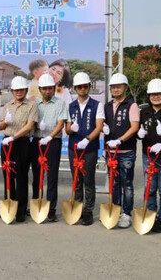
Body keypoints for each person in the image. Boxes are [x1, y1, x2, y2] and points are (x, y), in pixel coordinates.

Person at [66, 72, 104, 226]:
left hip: (89, 149)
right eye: (79, 86)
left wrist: (87, 139)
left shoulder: (97, 105)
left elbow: (99, 126)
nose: (82, 88)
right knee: (76, 180)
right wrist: (71, 129)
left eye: (85, 86)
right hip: (73, 148)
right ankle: (78, 207)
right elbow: (67, 129)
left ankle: (88, 211)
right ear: (75, 88)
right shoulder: (71, 106)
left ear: (89, 87)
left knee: (88, 179)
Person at [28, 73, 68, 222]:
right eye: (44, 89)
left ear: (54, 88)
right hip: (37, 141)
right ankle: (36, 203)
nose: (47, 91)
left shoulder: (60, 103)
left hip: (53, 142)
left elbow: (61, 123)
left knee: (51, 176)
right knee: (37, 175)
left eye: (50, 88)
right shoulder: (35, 104)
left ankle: (51, 208)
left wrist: (50, 136)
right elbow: (30, 123)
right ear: (40, 89)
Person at [138, 78, 161, 233]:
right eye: (153, 94)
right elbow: (139, 133)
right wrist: (140, 135)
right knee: (150, 188)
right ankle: (151, 215)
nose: (156, 97)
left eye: (159, 94)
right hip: (149, 157)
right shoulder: (144, 112)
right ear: (149, 96)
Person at [0, 76, 38, 222]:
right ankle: (9, 206)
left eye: (21, 90)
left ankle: (20, 211)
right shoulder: (7, 105)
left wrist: (14, 137)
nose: (19, 92)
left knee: (21, 177)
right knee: (7, 176)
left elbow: (30, 125)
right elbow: (0, 126)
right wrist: (5, 122)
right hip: (7, 143)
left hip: (22, 143)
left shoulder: (31, 105)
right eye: (16, 90)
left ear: (26, 90)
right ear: (12, 91)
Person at [102, 73, 139, 228]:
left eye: (119, 86)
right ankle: (115, 210)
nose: (116, 89)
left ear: (125, 87)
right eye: (113, 87)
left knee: (127, 184)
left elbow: (135, 127)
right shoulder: (107, 105)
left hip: (126, 151)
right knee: (114, 183)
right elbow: (104, 124)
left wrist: (120, 140)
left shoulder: (131, 105)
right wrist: (104, 129)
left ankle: (126, 214)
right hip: (111, 153)